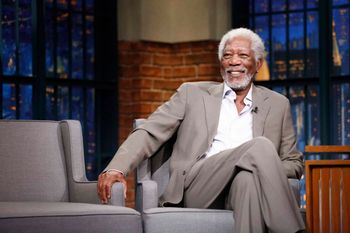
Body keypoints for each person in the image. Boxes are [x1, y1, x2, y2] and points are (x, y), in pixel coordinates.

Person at [98, 27, 305, 233]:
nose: (234, 61)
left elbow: (294, 163)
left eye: (242, 55)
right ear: (220, 63)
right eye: (227, 55)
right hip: (199, 187)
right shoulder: (192, 93)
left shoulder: (278, 104)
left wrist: (260, 166)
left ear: (257, 63)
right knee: (259, 146)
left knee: (247, 180)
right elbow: (150, 131)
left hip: (239, 188)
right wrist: (117, 168)